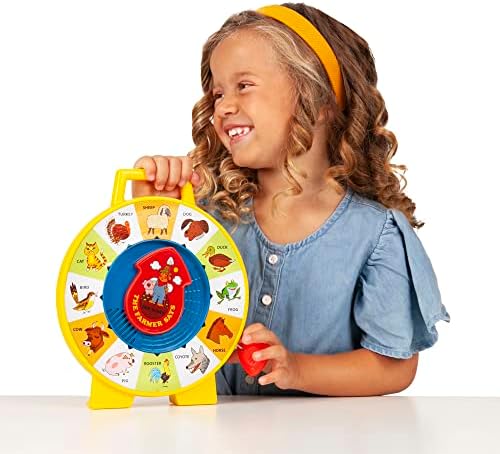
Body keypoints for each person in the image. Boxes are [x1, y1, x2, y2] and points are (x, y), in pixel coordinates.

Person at [132, 3, 450, 397]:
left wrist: (297, 369)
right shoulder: (205, 215)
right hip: (208, 428)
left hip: (325, 431)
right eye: (218, 93)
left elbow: (393, 367)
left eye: (244, 85)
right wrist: (154, 216)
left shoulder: (374, 234)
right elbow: (149, 313)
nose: (223, 106)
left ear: (319, 101)